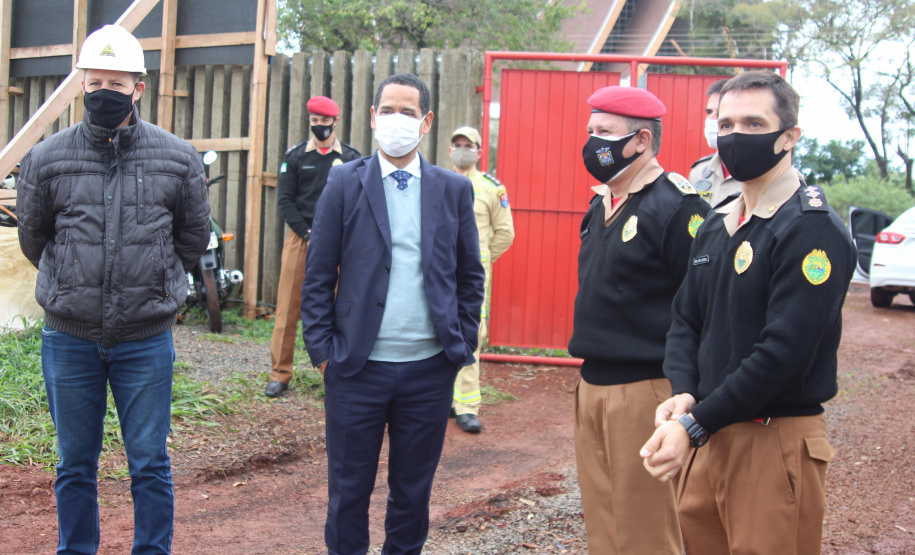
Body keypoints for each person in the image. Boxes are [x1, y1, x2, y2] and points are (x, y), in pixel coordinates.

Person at [640, 71, 857, 555]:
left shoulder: (809, 228)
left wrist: (694, 424)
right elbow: (686, 321)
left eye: (754, 124)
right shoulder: (717, 223)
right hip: (708, 432)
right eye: (726, 122)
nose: (736, 136)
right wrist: (684, 392)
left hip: (770, 438)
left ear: (789, 137)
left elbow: (784, 353)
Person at [16, 25, 210, 554]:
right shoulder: (46, 159)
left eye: (116, 82)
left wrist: (148, 285)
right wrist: (74, 283)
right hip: (70, 339)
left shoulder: (177, 158)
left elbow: (191, 239)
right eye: (95, 80)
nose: (105, 91)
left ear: (138, 88)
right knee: (73, 463)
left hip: (145, 341)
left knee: (149, 462)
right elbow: (35, 240)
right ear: (81, 84)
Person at [301, 73, 485, 555]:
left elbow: (470, 275)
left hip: (428, 371)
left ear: (425, 122)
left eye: (407, 112)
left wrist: (461, 346)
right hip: (356, 369)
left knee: (412, 496)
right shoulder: (344, 181)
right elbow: (318, 273)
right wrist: (323, 353)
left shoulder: (452, 190)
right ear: (372, 117)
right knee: (347, 495)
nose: (396, 120)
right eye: (388, 110)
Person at [568, 85, 710, 554]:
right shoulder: (600, 204)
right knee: (604, 525)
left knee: (646, 531)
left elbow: (701, 305)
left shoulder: (677, 206)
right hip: (592, 386)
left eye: (604, 133)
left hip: (645, 390)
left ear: (642, 141)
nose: (592, 143)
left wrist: (689, 390)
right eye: (590, 131)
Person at [265, 96, 361, 397]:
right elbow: (285, 201)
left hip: (339, 242)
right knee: (288, 309)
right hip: (301, 238)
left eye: (325, 121)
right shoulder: (295, 157)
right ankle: (280, 374)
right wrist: (307, 232)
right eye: (314, 120)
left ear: (335, 121)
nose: (319, 126)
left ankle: (336, 370)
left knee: (341, 308)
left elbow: (357, 201)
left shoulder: (351, 158)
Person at [447, 125, 514, 433]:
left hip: (470, 279)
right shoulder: (436, 182)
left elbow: (505, 234)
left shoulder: (491, 188)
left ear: (479, 151)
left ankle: (467, 406)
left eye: (468, 145)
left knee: (470, 334)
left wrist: (479, 261)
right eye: (457, 144)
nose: (462, 149)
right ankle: (443, 399)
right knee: (435, 331)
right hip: (437, 274)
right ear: (450, 150)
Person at [689, 79, 740, 206]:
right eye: (709, 112)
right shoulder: (699, 172)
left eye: (720, 112)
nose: (711, 119)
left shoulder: (763, 176)